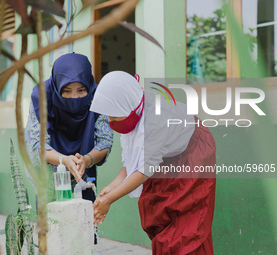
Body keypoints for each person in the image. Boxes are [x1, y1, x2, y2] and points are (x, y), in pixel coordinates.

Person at [90, 71, 216, 255]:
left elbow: (142, 171)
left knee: (187, 223)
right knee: (158, 214)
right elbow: (132, 162)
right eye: (109, 117)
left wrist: (110, 199)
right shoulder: (133, 112)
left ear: (127, 107)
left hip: (192, 152)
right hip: (167, 156)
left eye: (114, 118)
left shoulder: (155, 121)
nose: (111, 122)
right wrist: (113, 186)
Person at [25, 53, 113, 202]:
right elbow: (36, 146)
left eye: (81, 90)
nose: (75, 97)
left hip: (84, 170)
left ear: (88, 86)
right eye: (66, 91)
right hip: (49, 175)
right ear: (57, 87)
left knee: (84, 215)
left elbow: (105, 142)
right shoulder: (42, 98)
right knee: (51, 219)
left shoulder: (98, 97)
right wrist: (63, 160)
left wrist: (87, 159)